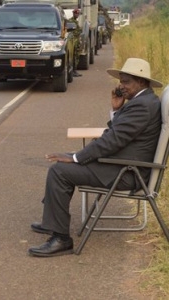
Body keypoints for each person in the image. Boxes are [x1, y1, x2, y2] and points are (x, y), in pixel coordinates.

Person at [28, 58, 163, 257]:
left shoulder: (142, 106)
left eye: (126, 82)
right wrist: (116, 110)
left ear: (141, 82)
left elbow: (113, 141)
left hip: (126, 171)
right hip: (122, 165)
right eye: (121, 81)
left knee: (59, 171)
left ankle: (61, 239)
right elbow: (118, 134)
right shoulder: (143, 101)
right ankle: (53, 222)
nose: (121, 86)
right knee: (63, 164)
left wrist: (76, 157)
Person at [69, 8, 82, 77]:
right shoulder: (71, 21)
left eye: (78, 13)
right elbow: (73, 32)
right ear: (73, 13)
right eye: (76, 13)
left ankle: (75, 70)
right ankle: (73, 71)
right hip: (73, 41)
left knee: (76, 56)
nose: (77, 15)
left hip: (76, 41)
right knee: (74, 56)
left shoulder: (76, 22)